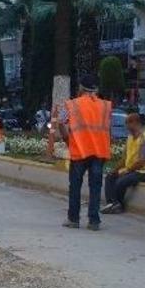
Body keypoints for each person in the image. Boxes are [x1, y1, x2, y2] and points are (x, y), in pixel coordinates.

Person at [54, 74, 112, 231]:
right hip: (99, 151)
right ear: (96, 89)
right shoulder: (106, 106)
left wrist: (67, 139)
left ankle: (73, 219)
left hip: (80, 150)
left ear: (81, 88)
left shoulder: (72, 105)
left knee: (75, 185)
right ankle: (94, 221)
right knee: (95, 186)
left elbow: (61, 122)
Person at [102, 113, 145, 215]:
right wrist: (115, 170)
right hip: (133, 170)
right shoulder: (130, 138)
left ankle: (119, 205)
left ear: (136, 123)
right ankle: (112, 203)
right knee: (110, 177)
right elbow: (124, 159)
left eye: (128, 123)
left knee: (121, 181)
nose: (126, 126)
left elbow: (143, 161)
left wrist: (127, 170)